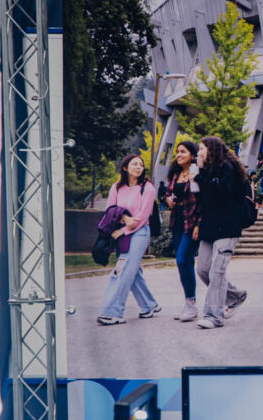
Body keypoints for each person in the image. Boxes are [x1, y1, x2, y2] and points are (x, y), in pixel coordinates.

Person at [96, 154, 161, 325]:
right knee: (132, 271)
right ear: (125, 167)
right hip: (122, 232)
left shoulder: (147, 188)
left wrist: (123, 230)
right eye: (135, 164)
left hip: (139, 232)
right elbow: (111, 209)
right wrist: (124, 219)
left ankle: (113, 312)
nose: (139, 167)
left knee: (123, 270)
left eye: (141, 165)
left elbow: (142, 216)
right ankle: (149, 305)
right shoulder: (116, 188)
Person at [194, 136, 250, 330]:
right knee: (202, 269)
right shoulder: (207, 171)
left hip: (227, 227)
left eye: (202, 149)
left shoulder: (228, 168)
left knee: (217, 271)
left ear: (212, 149)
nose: (199, 153)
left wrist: (201, 174)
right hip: (209, 227)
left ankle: (213, 315)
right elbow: (204, 199)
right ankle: (235, 296)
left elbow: (221, 194)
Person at [162, 141, 201, 322]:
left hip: (191, 222)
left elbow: (202, 200)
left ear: (192, 155)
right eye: (177, 152)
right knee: (185, 263)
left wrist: (199, 225)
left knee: (181, 259)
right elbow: (169, 194)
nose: (178, 155)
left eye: (182, 152)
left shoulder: (196, 173)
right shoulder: (176, 174)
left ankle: (191, 305)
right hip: (176, 221)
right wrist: (168, 199)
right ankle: (189, 303)